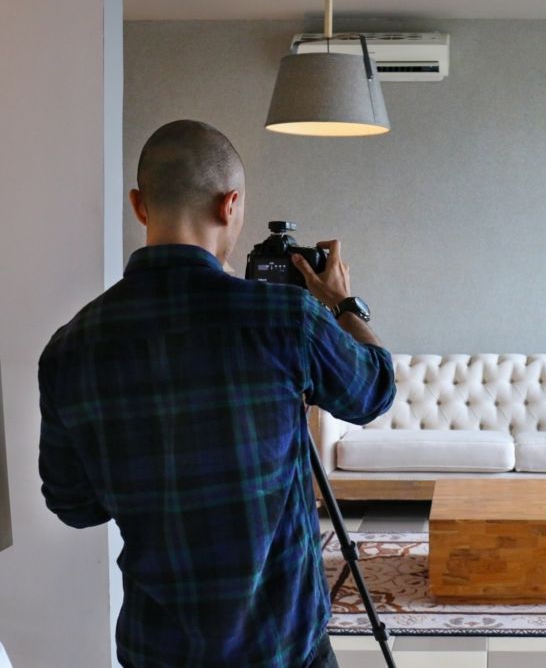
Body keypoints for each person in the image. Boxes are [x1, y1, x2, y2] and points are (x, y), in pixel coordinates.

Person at [38, 120, 395, 668]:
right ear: (230, 205)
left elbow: (74, 506)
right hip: (281, 647)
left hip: (157, 649)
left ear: (139, 205)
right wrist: (345, 304)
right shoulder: (283, 319)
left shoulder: (69, 348)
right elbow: (374, 391)